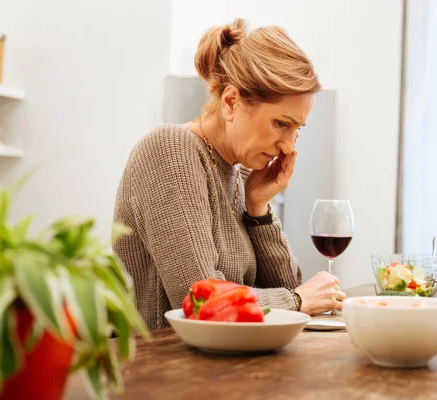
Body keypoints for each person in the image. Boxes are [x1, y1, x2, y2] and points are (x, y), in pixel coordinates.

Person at [113, 18, 346, 330]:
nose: (288, 146)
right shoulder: (170, 149)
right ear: (231, 102)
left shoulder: (239, 171)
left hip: (224, 367)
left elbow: (288, 288)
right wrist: (297, 300)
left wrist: (259, 209)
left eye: (297, 129)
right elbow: (197, 300)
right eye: (281, 124)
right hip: (160, 370)